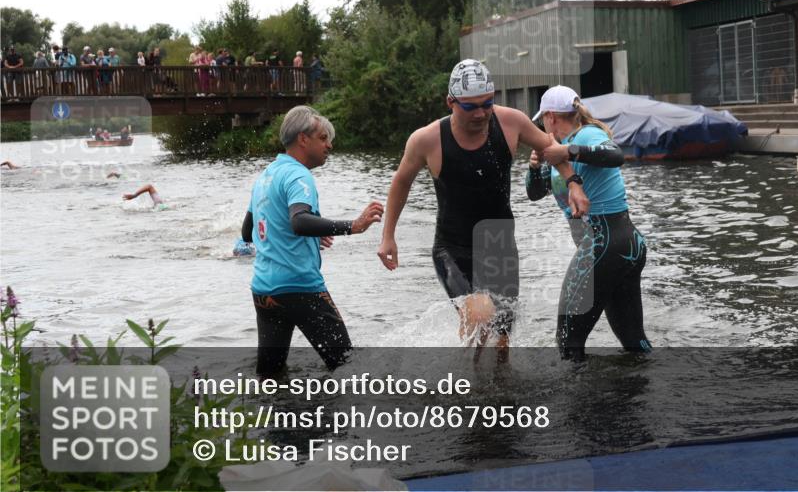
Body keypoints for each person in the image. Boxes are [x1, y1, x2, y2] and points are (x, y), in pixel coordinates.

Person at [377, 60, 590, 353]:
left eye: (486, 104)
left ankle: (495, 391)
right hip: (453, 249)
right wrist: (388, 235)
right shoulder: (427, 140)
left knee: (502, 343)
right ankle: (466, 386)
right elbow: (401, 182)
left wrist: (574, 183)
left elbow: (550, 149)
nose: (480, 113)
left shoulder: (511, 122)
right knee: (478, 315)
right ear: (451, 102)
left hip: (500, 244)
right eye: (470, 107)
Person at [242, 105, 384, 378]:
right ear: (302, 139)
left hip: (264, 290)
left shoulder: (265, 176)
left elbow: (249, 232)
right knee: (348, 369)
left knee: (271, 376)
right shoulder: (298, 174)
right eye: (322, 138)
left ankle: (273, 421)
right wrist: (353, 226)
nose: (329, 145)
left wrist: (303, 240)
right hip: (300, 288)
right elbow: (300, 220)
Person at [525, 85, 651, 360]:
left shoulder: (586, 135)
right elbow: (534, 194)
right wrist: (535, 166)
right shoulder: (553, 153)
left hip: (605, 245)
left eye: (543, 119)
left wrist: (568, 152)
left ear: (550, 117)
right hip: (620, 248)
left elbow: (615, 155)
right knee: (634, 343)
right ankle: (641, 397)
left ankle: (583, 402)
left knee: (568, 341)